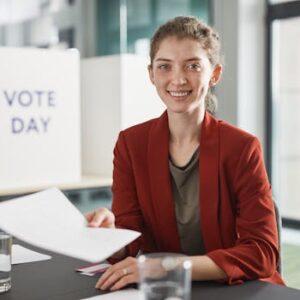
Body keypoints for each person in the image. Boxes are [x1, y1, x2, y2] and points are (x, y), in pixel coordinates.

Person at [86, 16, 285, 291]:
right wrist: (108, 236)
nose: (178, 79)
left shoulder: (242, 148)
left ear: (214, 74)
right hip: (168, 290)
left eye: (193, 66)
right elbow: (129, 246)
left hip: (235, 289)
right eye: (164, 66)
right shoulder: (130, 145)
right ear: (151, 74)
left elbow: (262, 254)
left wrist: (167, 267)